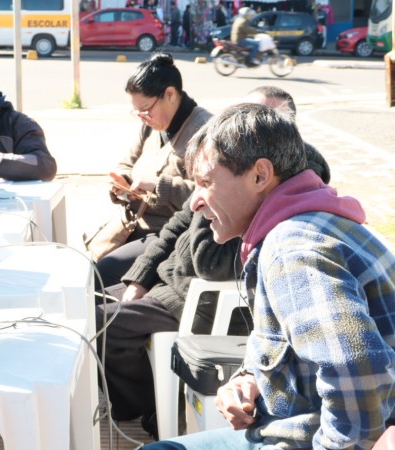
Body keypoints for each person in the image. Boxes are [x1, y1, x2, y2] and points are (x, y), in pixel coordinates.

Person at [144, 103, 395, 449]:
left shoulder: (291, 248)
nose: (195, 203)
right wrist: (250, 379)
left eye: (206, 183)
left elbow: (359, 373)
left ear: (260, 175)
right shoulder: (314, 223)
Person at [96, 86, 332, 438]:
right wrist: (140, 277)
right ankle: (149, 402)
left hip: (197, 297)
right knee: (91, 296)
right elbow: (177, 224)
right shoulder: (224, 160)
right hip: (171, 280)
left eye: (251, 121)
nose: (235, 127)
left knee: (100, 323)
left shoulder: (293, 208)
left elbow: (211, 263)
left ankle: (147, 406)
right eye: (237, 114)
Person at [94, 53, 211, 290]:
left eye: (146, 110)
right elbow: (126, 163)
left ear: (170, 94)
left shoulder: (205, 132)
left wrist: (159, 185)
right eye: (137, 112)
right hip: (135, 224)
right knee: (88, 268)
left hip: (171, 232)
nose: (143, 118)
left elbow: (212, 194)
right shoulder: (150, 127)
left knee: (102, 273)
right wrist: (122, 182)